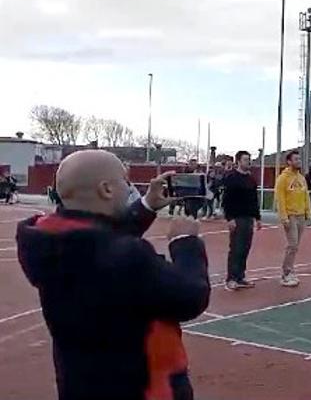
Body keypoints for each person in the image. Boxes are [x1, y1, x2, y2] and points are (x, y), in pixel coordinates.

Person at [16, 150, 209, 400]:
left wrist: (146, 206)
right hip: (143, 386)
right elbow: (190, 296)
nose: (130, 188)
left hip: (81, 383)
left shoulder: (45, 242)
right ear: (106, 189)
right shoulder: (128, 256)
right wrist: (186, 243)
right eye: (125, 181)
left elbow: (98, 239)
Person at [222, 150, 263, 291]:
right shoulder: (232, 178)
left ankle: (240, 276)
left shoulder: (251, 179)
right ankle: (231, 278)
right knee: (236, 248)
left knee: (245, 248)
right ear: (238, 161)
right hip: (237, 218)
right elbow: (226, 200)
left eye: (249, 159)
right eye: (245, 159)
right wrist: (230, 218)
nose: (248, 162)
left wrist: (257, 218)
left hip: (248, 218)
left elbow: (254, 201)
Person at [275, 149, 311, 287]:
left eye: (299, 159)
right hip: (290, 216)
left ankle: (290, 270)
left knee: (295, 246)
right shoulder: (283, 178)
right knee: (292, 245)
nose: (298, 162)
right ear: (289, 162)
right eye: (296, 159)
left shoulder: (301, 178)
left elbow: (306, 196)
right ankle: (286, 273)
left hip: (301, 215)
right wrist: (284, 217)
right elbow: (280, 198)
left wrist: (309, 212)